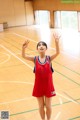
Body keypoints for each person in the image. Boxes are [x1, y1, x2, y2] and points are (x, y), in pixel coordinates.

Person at [22, 33, 60, 120]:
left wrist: (57, 42)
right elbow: (24, 56)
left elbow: (58, 52)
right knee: (40, 106)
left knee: (48, 106)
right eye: (39, 45)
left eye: (43, 45)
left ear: (46, 48)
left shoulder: (49, 58)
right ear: (37, 49)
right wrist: (23, 49)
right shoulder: (34, 59)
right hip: (38, 86)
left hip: (48, 86)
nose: (41, 46)